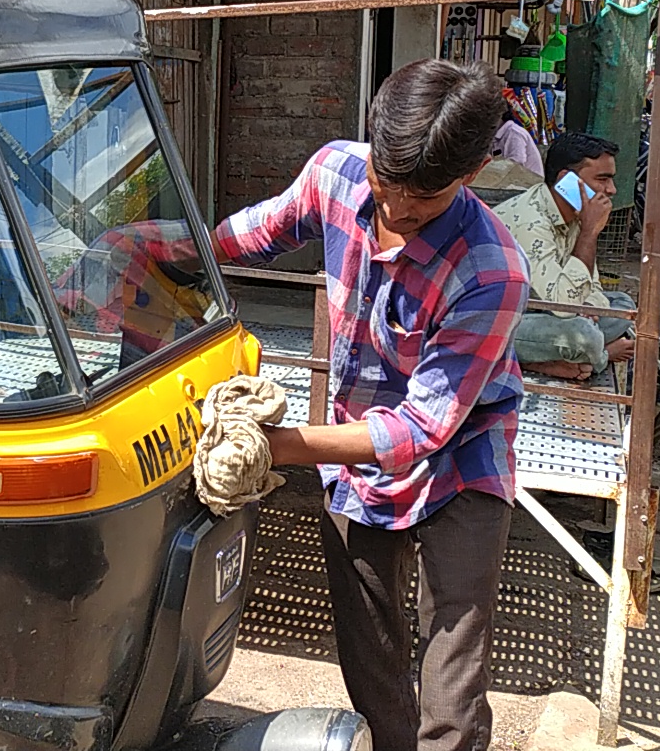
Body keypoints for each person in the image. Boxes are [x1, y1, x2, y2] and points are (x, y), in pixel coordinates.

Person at [214, 59, 528, 751]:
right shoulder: (335, 173)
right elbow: (250, 237)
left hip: (462, 457)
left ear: (471, 174)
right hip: (356, 455)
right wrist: (167, 253)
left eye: (424, 200)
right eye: (388, 188)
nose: (397, 211)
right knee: (371, 654)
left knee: (452, 680)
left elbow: (421, 428)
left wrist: (281, 446)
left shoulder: (492, 270)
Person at [491, 132, 636, 381]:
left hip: (542, 308)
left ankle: (554, 358)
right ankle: (596, 357)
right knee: (582, 335)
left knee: (623, 305)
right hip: (496, 320)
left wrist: (588, 308)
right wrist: (589, 233)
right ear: (566, 181)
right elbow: (564, 307)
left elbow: (592, 287)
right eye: (602, 179)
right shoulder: (531, 221)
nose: (611, 190)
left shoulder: (576, 213)